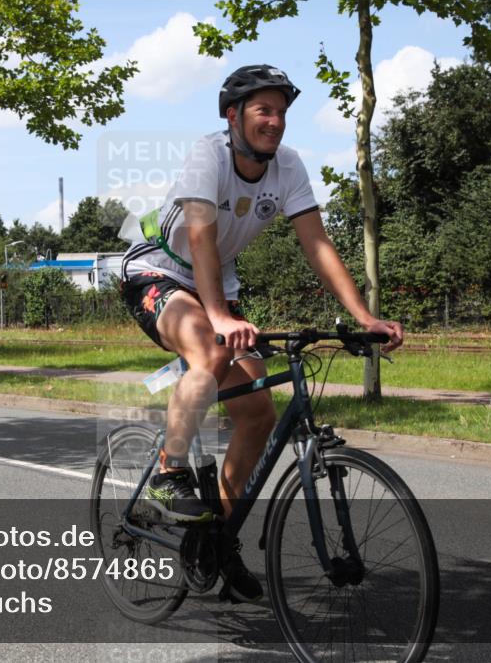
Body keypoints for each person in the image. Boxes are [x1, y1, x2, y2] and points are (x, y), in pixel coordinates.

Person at [119, 65, 404, 602]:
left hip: (216, 285)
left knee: (257, 413)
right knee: (207, 349)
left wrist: (364, 316)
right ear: (233, 116)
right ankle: (168, 471)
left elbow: (317, 244)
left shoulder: (289, 166)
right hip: (160, 270)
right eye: (263, 111)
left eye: (281, 112)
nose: (275, 122)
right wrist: (221, 317)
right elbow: (202, 237)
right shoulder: (209, 156)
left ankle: (215, 541)